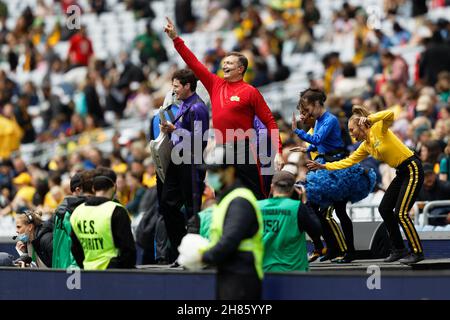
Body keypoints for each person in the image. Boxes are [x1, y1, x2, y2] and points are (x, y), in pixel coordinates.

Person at [164, 17, 284, 200]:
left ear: (241, 69)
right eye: (224, 62)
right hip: (221, 147)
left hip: (245, 148)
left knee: (256, 194)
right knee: (222, 194)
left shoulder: (250, 91)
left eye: (229, 63)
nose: (224, 65)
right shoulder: (215, 84)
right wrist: (175, 39)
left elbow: (270, 122)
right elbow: (194, 63)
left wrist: (279, 153)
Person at [307, 105, 425, 264]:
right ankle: (399, 249)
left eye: (351, 129)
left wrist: (370, 119)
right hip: (401, 172)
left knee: (401, 213)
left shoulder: (378, 130)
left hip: (412, 167)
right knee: (384, 208)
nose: (351, 134)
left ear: (361, 125)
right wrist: (325, 166)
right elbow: (349, 161)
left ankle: (417, 252)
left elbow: (390, 114)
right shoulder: (365, 146)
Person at [291, 89, 376, 263]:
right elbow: (320, 145)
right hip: (325, 168)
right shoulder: (320, 120)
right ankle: (332, 248)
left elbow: (318, 139)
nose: (306, 112)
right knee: (321, 211)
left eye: (307, 108)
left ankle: (346, 251)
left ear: (316, 104)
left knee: (337, 212)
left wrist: (297, 131)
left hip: (336, 171)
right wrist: (306, 149)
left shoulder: (330, 119)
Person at [199, 146, 264, 300]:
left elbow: (230, 240)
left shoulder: (240, 200)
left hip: (242, 277)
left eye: (215, 171)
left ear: (230, 171)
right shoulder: (226, 199)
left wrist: (201, 257)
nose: (210, 176)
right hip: (229, 273)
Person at [158, 68, 209, 262]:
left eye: (176, 86)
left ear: (188, 86)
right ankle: (182, 249)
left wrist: (175, 129)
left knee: (191, 209)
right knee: (167, 204)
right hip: (178, 160)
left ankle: (193, 254)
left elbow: (200, 141)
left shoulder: (197, 108)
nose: (173, 90)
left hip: (190, 163)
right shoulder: (184, 105)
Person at [258, 171, 322, 272]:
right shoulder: (297, 207)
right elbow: (316, 230)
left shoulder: (257, 207)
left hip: (263, 270)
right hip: (293, 272)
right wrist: (305, 202)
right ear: (293, 189)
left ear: (272, 187)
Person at [70, 173, 136, 270]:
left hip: (88, 270)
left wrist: (84, 266)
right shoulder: (116, 210)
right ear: (114, 187)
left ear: (93, 189)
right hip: (113, 272)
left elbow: (75, 248)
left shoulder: (77, 212)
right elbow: (128, 248)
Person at [52, 170, 95, 269]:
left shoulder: (60, 210)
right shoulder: (75, 212)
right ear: (78, 190)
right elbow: (75, 245)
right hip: (73, 269)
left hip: (60, 268)